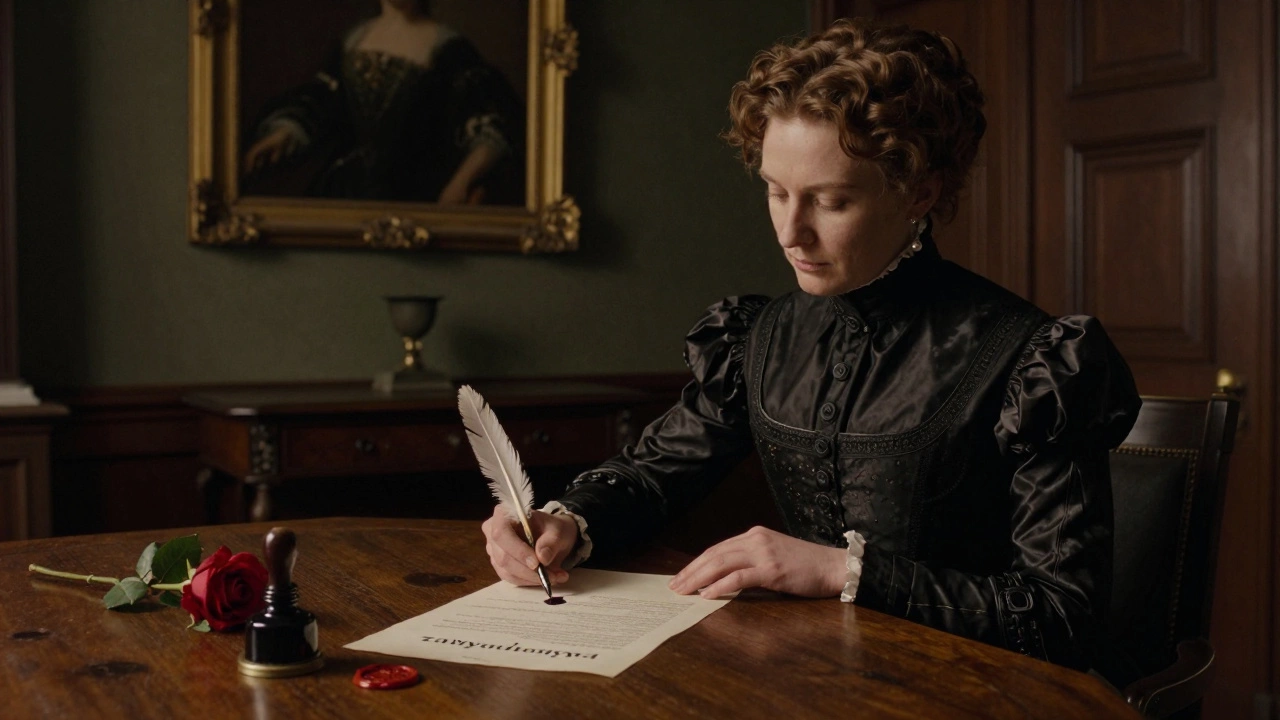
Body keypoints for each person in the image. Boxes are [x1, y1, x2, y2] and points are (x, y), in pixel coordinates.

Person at [481, 19, 1141, 675]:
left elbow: (1063, 619)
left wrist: (845, 571)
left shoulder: (1032, 360)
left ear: (921, 192)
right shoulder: (760, 339)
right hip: (811, 683)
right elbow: (652, 476)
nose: (791, 232)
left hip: (974, 694)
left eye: (829, 200)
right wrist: (566, 520)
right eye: (775, 192)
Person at [242, 0, 523, 205]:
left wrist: (462, 181)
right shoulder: (354, 39)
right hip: (344, 190)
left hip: (414, 192)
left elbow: (492, 121)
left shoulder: (450, 48)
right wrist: (284, 134)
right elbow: (322, 100)